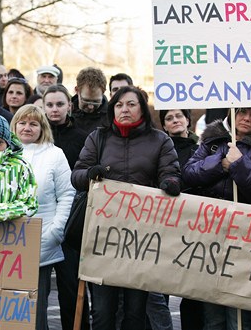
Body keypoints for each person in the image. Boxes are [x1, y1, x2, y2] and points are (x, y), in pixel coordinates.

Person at [71, 86, 181, 330]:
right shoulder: (98, 138)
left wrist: (170, 183)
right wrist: (90, 174)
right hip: (102, 239)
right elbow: (76, 175)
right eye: (119, 105)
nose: (125, 109)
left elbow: (171, 172)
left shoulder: (160, 140)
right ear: (113, 109)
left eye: (131, 104)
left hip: (141, 240)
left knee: (135, 313)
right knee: (102, 312)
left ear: (142, 107)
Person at [183, 107, 251, 330]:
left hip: (244, 240)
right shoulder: (213, 141)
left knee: (240, 318)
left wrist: (239, 164)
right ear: (232, 115)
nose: (246, 118)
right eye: (242, 112)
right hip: (210, 237)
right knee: (213, 316)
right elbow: (189, 173)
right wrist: (219, 162)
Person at [11, 104, 76, 330]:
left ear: (42, 128)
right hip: (4, 245)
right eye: (22, 122)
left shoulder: (54, 155)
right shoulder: (1, 153)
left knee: (34, 311)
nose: (27, 128)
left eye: (33, 123)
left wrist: (55, 232)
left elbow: (67, 194)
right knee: (7, 309)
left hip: (41, 243)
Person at [42, 85, 90, 330]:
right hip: (40, 219)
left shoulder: (82, 137)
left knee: (70, 287)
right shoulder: (35, 137)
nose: (54, 109)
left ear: (69, 106)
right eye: (49, 105)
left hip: (71, 221)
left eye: (59, 104)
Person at [160, 108, 203, 330]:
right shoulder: (158, 150)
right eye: (169, 118)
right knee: (158, 292)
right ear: (164, 126)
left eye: (179, 116)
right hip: (163, 227)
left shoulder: (201, 150)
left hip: (193, 229)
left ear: (188, 120)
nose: (175, 120)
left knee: (193, 292)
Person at [71, 67, 109, 134]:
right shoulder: (66, 114)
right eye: (86, 100)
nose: (90, 106)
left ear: (103, 92)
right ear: (77, 90)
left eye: (96, 102)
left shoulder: (111, 117)